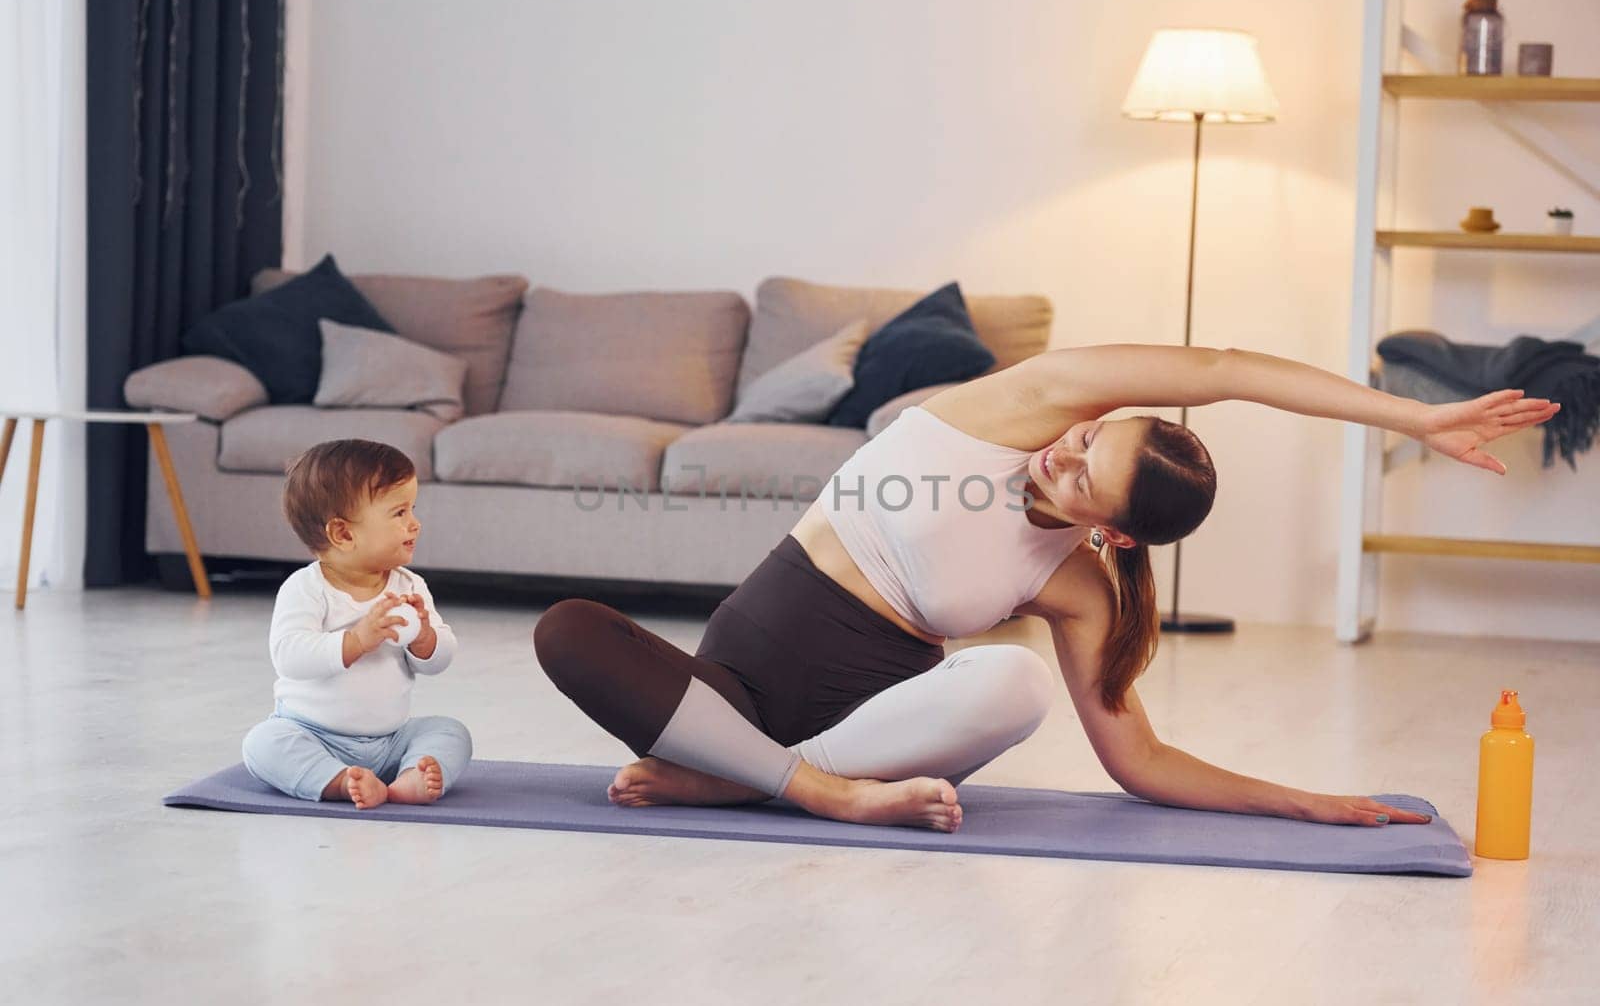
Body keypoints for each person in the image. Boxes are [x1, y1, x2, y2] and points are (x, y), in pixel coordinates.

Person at [533, 345, 1558, 832]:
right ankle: (781, 783)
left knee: (1013, 691)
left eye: (1082, 478)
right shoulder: (1021, 403)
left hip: (870, 737)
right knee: (569, 630)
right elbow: (1230, 371)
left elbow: (1139, 761)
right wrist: (1410, 419)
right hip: (722, 702)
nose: (1061, 455)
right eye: (1086, 437)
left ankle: (771, 780)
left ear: (1106, 530)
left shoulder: (1076, 588)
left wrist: (1300, 801)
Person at [242, 439, 473, 810]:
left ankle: (410, 775)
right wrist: (357, 640)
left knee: (450, 732)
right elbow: (289, 656)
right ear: (343, 534)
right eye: (399, 513)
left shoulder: (410, 586)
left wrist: (425, 637)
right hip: (312, 734)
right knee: (263, 744)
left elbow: (440, 660)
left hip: (391, 740)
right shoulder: (306, 588)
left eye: (412, 509)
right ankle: (336, 781)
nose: (415, 523)